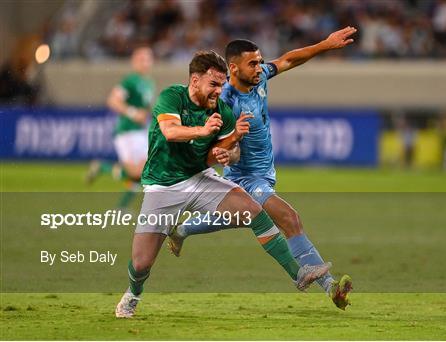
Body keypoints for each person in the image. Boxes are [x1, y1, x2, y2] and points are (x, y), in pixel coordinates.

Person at [115, 50, 330, 318]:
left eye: (222, 83)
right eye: (214, 84)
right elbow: (170, 132)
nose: (220, 90)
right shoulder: (172, 97)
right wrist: (202, 131)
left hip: (200, 178)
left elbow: (233, 151)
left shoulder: (221, 110)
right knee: (142, 263)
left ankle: (298, 274)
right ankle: (133, 293)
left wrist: (228, 153)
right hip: (163, 186)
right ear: (195, 81)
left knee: (254, 211)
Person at [168, 27, 357, 310]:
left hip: (264, 174)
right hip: (244, 178)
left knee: (235, 218)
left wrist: (326, 45)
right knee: (289, 218)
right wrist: (231, 149)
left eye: (260, 61)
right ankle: (330, 287)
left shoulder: (261, 78)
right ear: (233, 68)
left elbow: (290, 59)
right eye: (253, 63)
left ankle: (181, 230)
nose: (260, 68)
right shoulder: (224, 103)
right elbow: (222, 151)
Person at [86, 47, 155, 209]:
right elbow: (112, 100)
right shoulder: (130, 81)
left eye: (148, 59)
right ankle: (103, 168)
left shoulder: (149, 82)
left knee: (146, 171)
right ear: (134, 61)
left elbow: (145, 108)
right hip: (127, 131)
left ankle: (122, 208)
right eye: (142, 59)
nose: (146, 62)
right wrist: (132, 113)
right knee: (136, 173)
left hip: (141, 131)